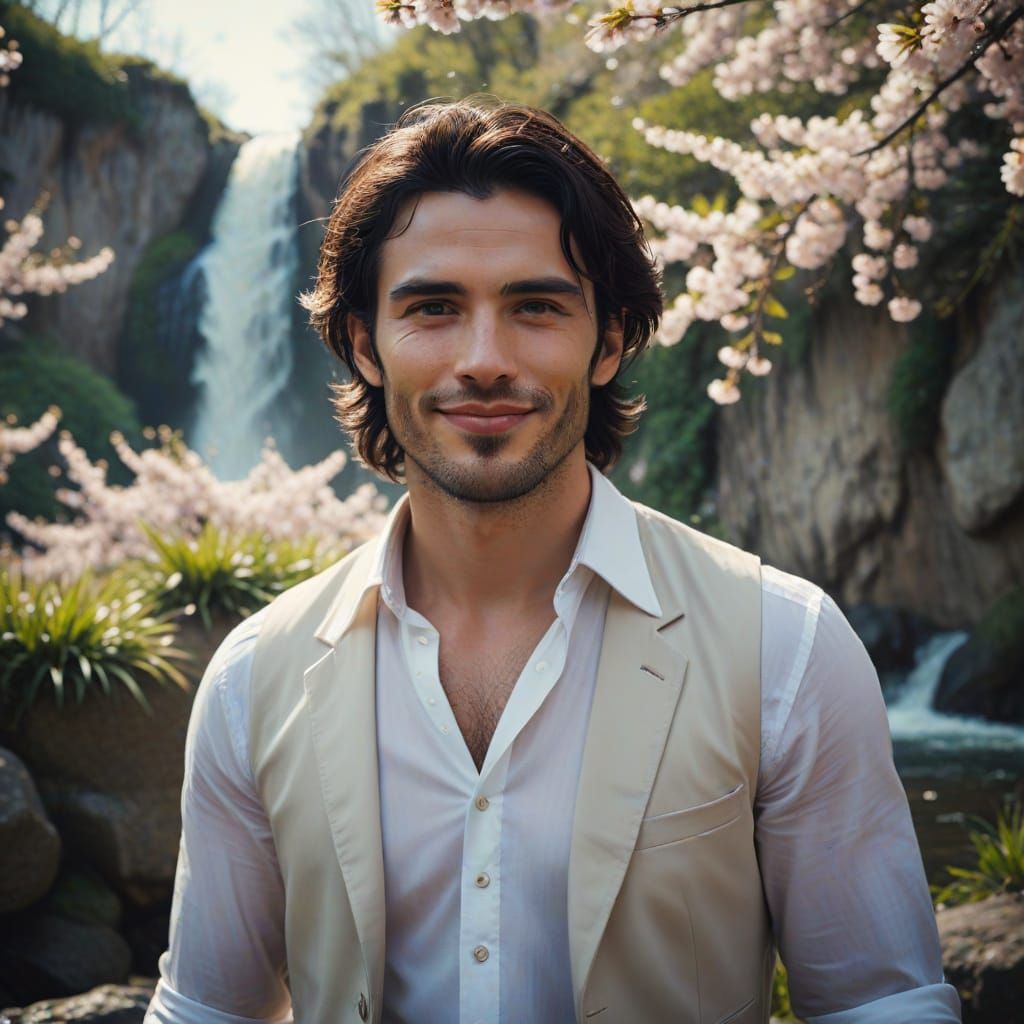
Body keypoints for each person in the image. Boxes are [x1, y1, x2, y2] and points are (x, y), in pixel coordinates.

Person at [146, 99, 961, 1024]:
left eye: (536, 306)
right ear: (366, 345)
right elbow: (205, 1012)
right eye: (433, 309)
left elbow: (882, 1007)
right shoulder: (254, 679)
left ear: (609, 340)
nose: (484, 360)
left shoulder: (787, 647)